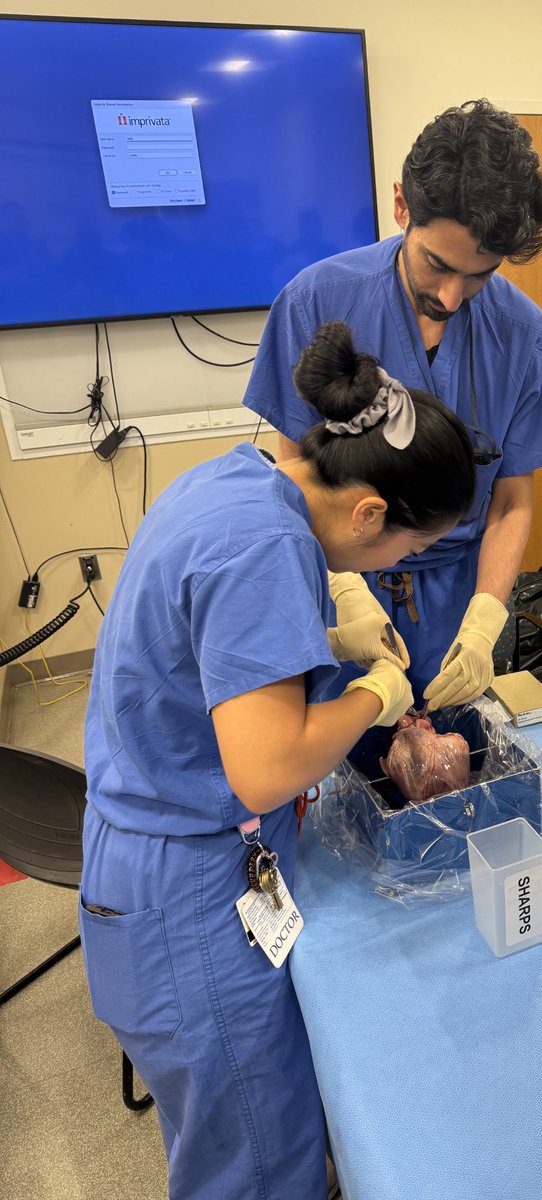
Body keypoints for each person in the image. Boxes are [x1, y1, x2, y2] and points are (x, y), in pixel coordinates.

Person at [78, 321, 476, 1200]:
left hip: (142, 852)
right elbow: (264, 770)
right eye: (406, 553)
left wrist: (322, 642)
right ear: (370, 510)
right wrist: (379, 695)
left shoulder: (238, 481)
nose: (399, 568)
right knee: (256, 1160)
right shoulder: (266, 548)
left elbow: (199, 653)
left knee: (234, 1131)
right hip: (185, 891)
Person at [243, 99, 542, 710]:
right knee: (332, 767)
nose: (452, 295)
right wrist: (344, 591)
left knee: (452, 765)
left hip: (459, 593)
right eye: (437, 264)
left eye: (480, 275)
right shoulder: (316, 301)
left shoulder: (526, 337)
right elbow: (293, 480)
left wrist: (483, 624)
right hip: (341, 585)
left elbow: (511, 498)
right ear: (401, 206)